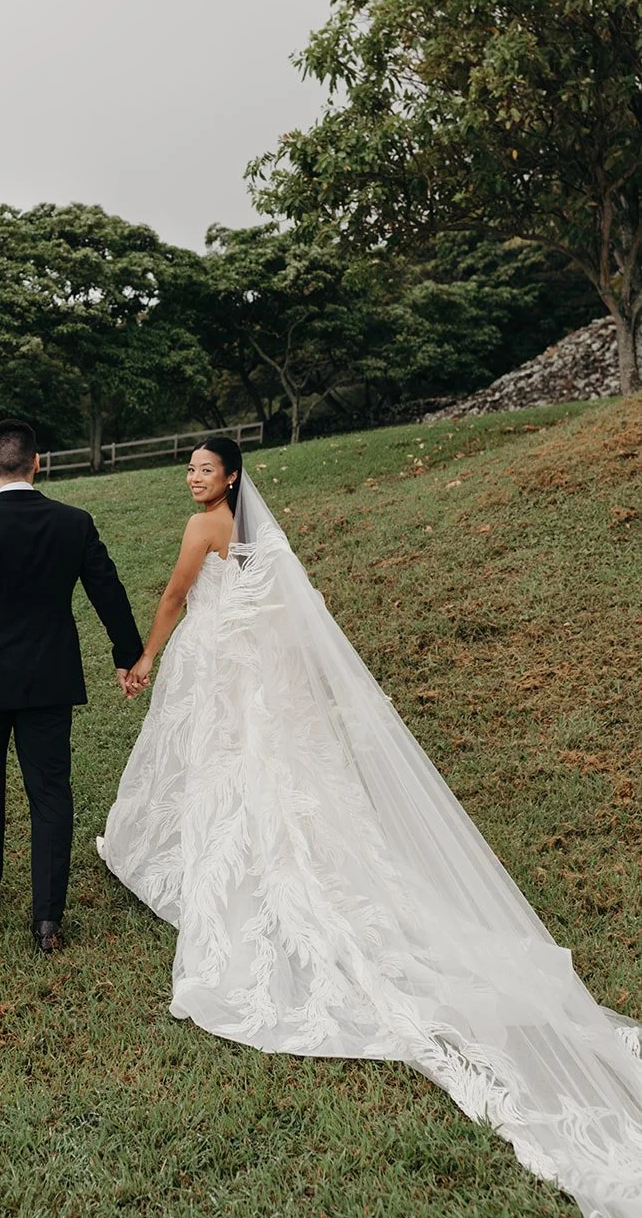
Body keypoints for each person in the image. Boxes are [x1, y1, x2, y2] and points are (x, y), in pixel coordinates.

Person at [99, 437, 642, 1218]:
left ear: (231, 479)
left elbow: (176, 598)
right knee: (262, 782)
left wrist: (146, 658)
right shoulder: (257, 533)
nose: (192, 478)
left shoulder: (203, 528)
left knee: (223, 774)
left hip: (220, 669)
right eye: (187, 468)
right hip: (254, 673)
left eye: (204, 470)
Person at [0, 418, 142, 955]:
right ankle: (46, 922)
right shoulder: (73, 522)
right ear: (37, 463)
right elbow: (108, 590)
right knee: (50, 794)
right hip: (50, 677)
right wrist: (126, 654)